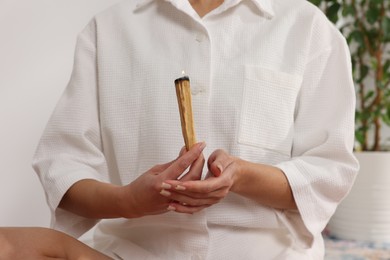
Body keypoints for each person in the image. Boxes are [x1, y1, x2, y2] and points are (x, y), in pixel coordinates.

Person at [32, 0, 359, 259]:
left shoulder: (308, 28)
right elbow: (62, 167)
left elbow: (328, 173)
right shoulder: (108, 29)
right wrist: (129, 201)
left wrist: (241, 176)